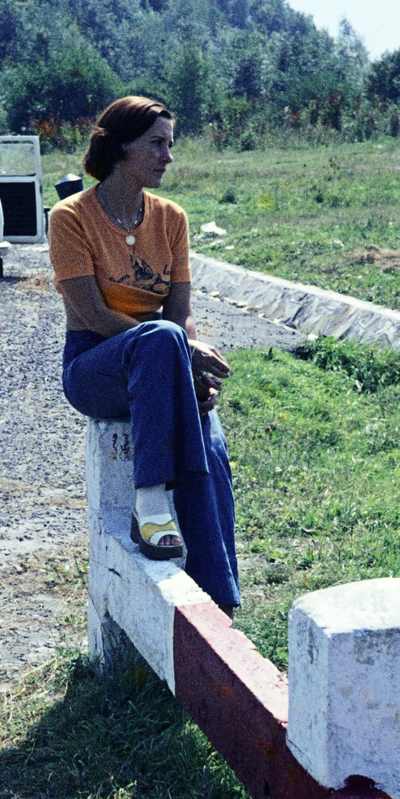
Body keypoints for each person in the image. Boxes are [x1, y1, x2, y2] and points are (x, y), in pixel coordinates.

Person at [48, 96, 240, 612]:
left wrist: (183, 358)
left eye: (170, 145)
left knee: (210, 444)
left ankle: (217, 602)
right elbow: (92, 316)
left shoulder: (171, 219)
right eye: (156, 144)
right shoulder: (71, 218)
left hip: (162, 359)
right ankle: (148, 504)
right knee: (160, 339)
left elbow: (181, 314)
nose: (167, 157)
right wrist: (178, 352)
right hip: (96, 367)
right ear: (119, 147)